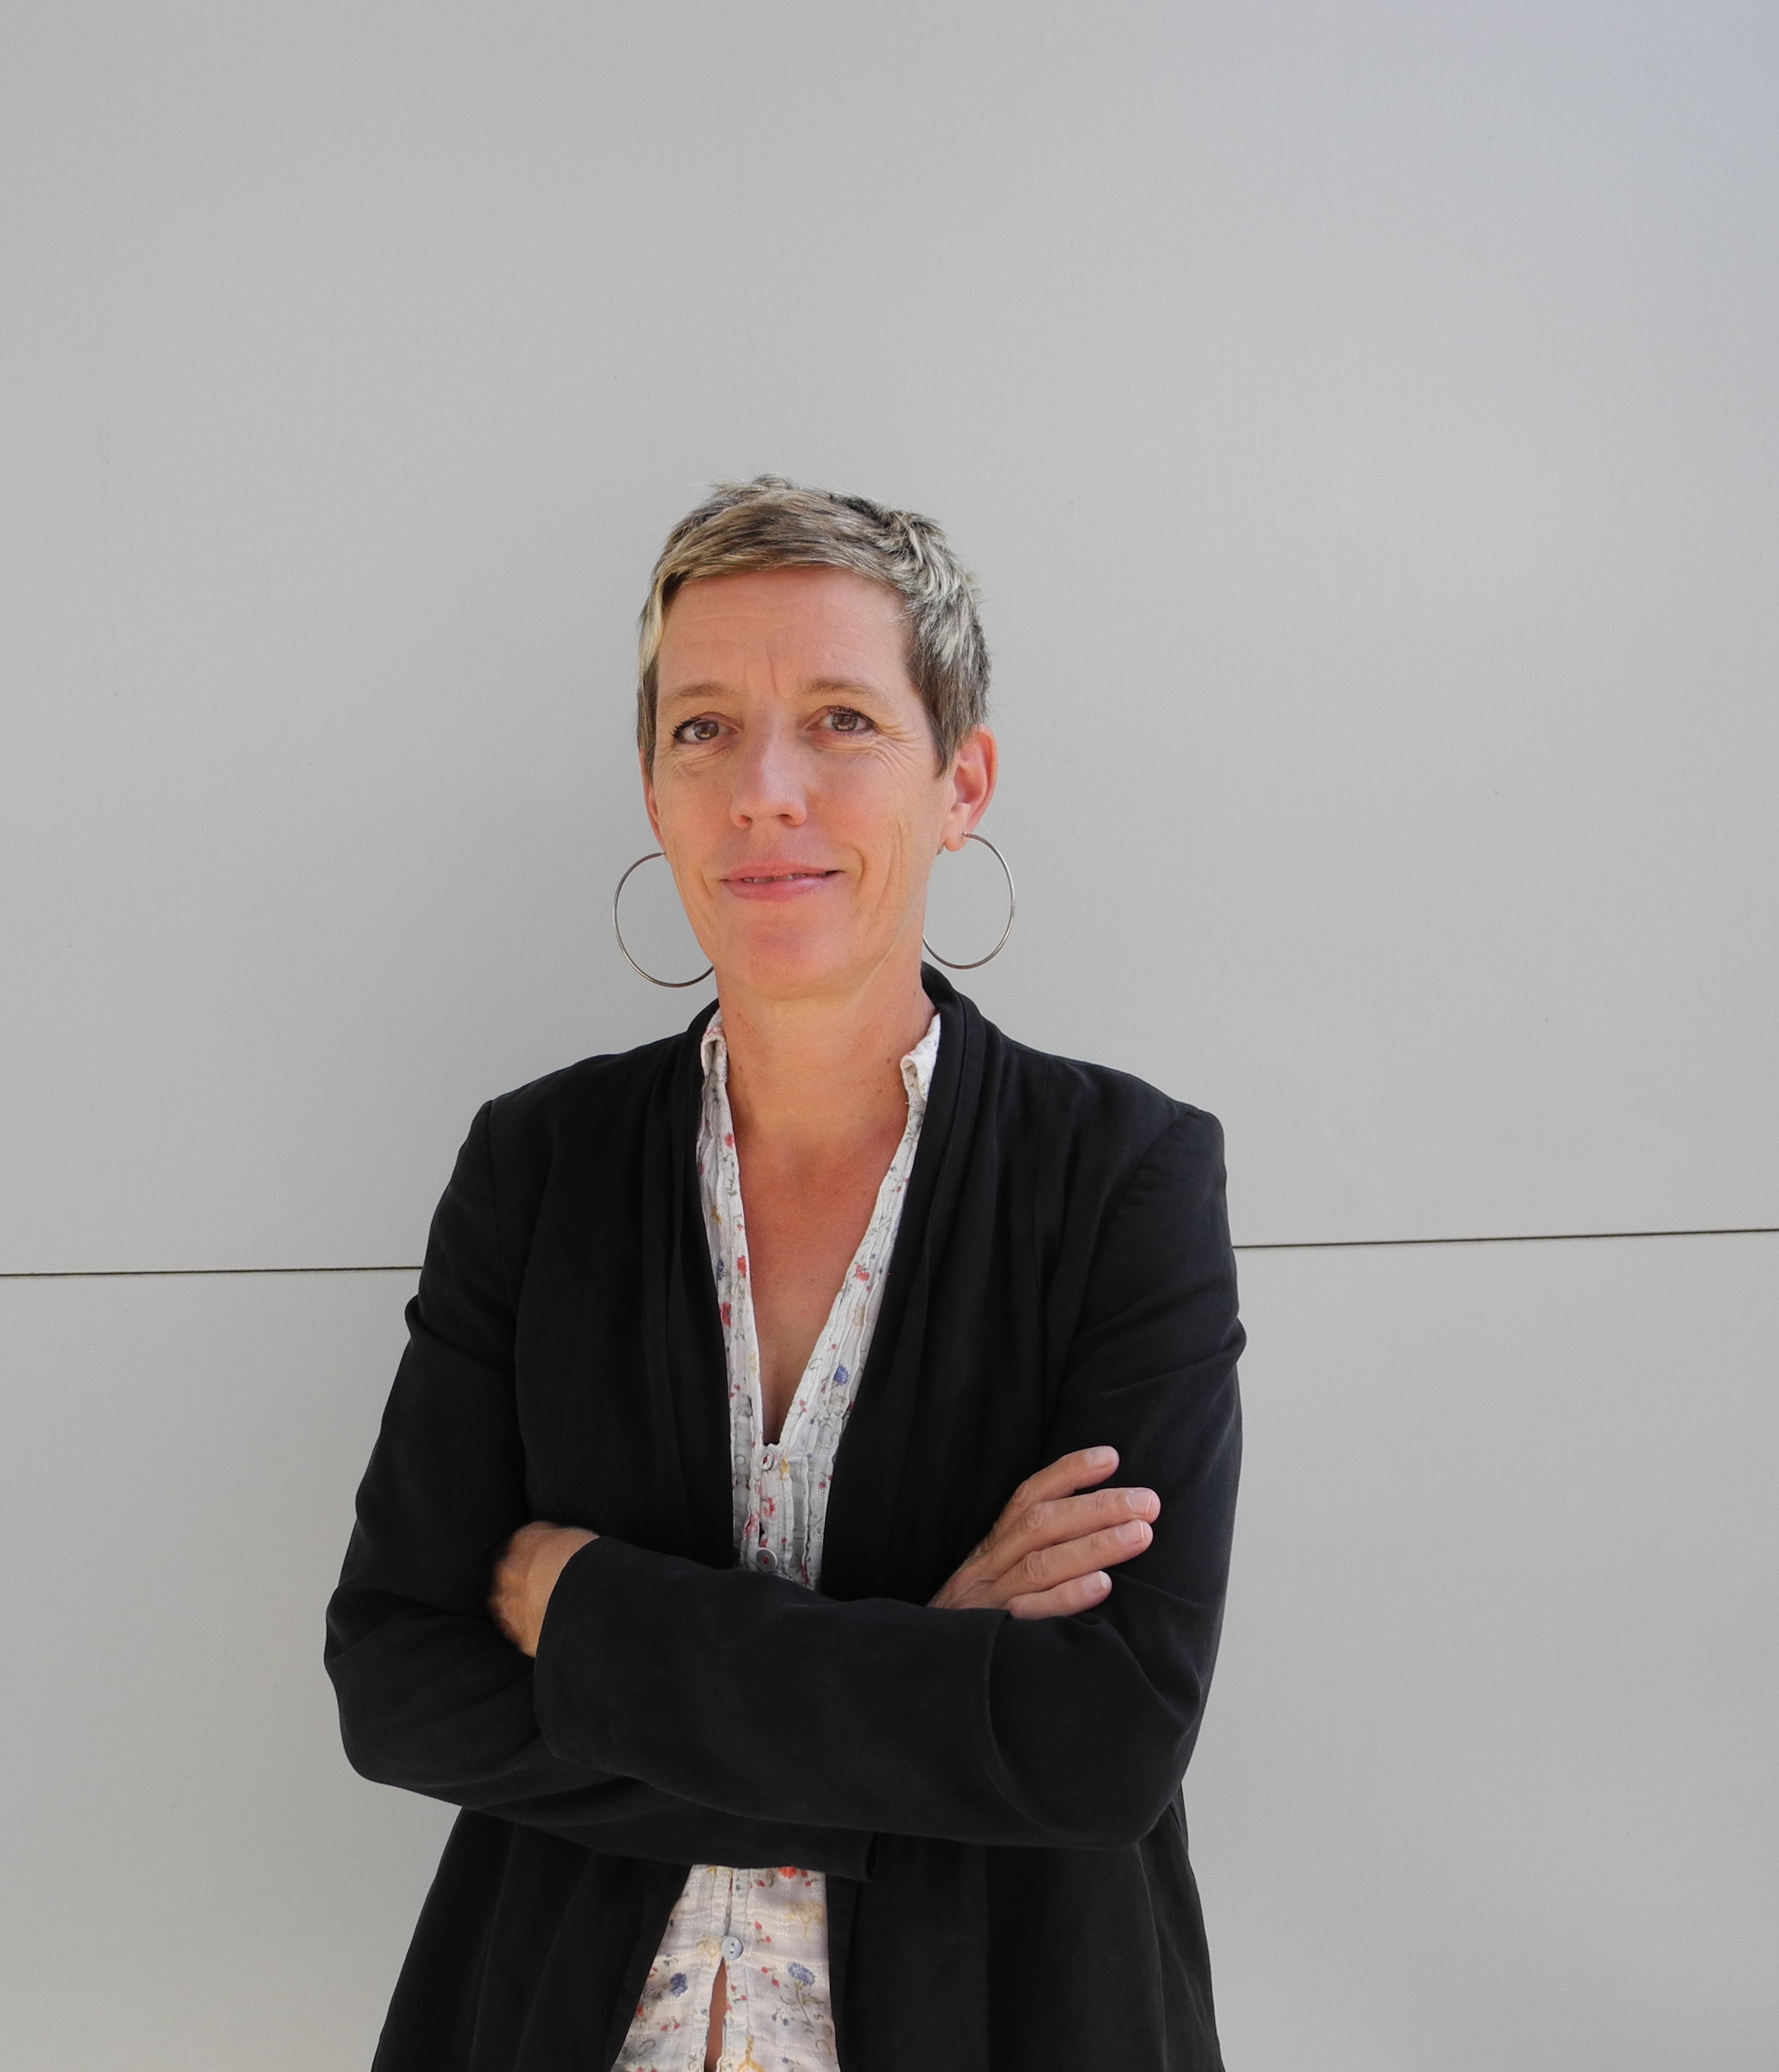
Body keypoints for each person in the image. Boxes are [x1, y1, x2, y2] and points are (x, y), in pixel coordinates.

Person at [326, 478, 1244, 2071]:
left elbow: (1103, 1737)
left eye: (839, 721)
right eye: (703, 730)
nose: (764, 789)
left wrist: (590, 1612)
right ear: (650, 785)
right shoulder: (537, 1169)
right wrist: (933, 1678)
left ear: (961, 782)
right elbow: (400, 1679)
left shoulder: (1122, 1178)